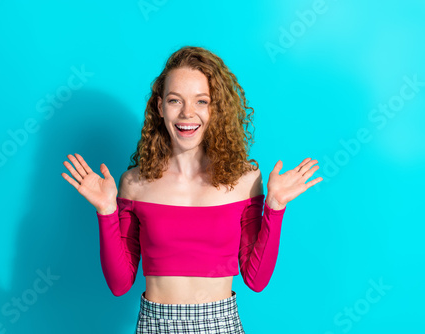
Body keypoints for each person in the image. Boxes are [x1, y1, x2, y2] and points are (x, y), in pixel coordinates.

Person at [61, 46, 323, 333]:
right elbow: (119, 284)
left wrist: (274, 208)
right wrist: (107, 211)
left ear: (216, 109)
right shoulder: (133, 183)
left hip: (220, 323)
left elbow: (256, 280)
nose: (188, 113)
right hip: (154, 323)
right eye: (175, 100)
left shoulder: (245, 180)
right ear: (160, 107)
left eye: (201, 101)